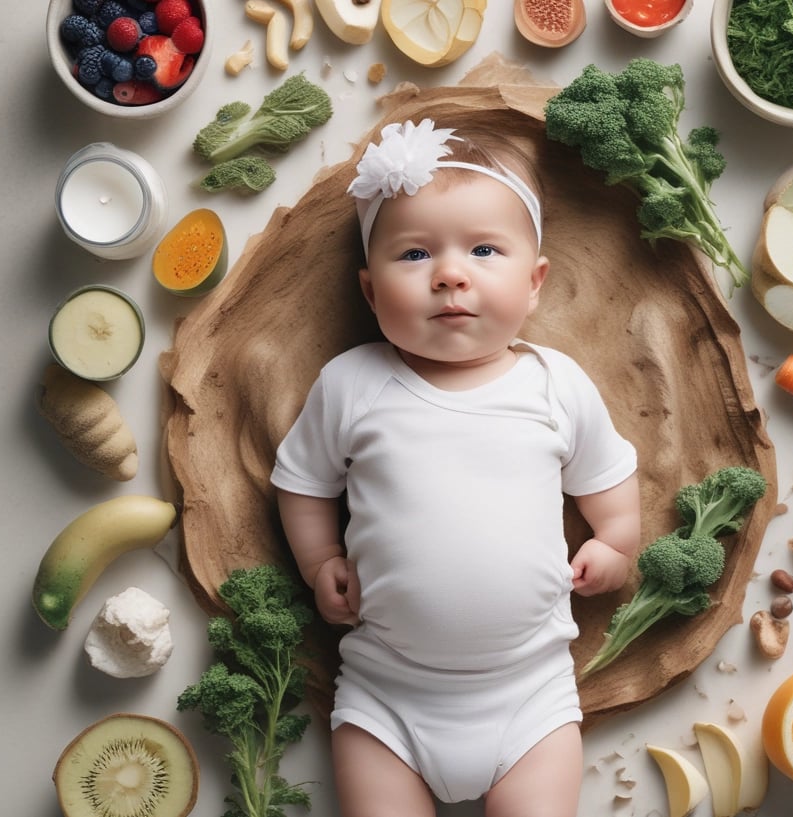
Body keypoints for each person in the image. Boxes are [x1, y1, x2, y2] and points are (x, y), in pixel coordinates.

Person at [272, 119, 641, 817]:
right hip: (387, 693)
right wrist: (320, 558)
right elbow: (303, 481)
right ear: (371, 291)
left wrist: (615, 542)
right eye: (413, 254)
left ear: (533, 283)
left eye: (482, 249)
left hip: (529, 693)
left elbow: (607, 472)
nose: (449, 273)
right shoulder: (353, 383)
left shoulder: (554, 384)